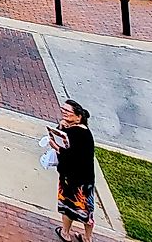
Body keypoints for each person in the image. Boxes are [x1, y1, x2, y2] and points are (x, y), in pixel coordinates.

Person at [50, 99, 96, 241]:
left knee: (68, 206)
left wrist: (56, 147)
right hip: (84, 179)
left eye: (67, 111)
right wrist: (61, 126)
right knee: (86, 211)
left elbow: (72, 156)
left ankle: (65, 233)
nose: (64, 113)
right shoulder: (79, 130)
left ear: (78, 116)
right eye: (63, 109)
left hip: (73, 179)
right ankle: (87, 238)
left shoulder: (77, 133)